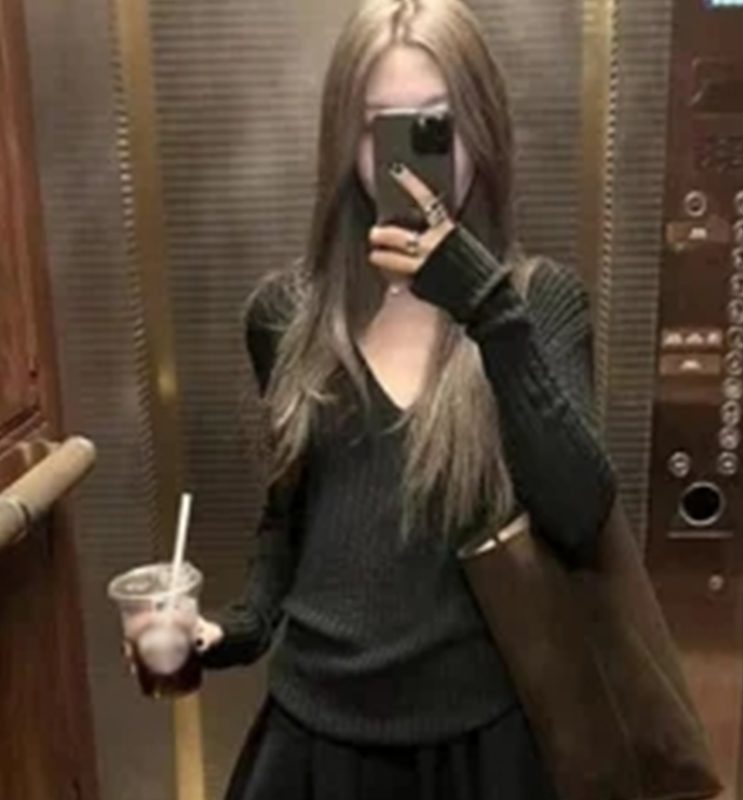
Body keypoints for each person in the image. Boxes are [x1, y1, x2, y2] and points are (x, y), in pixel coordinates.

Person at [186, 0, 616, 796]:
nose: (408, 160)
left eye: (434, 125)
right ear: (342, 138)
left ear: (482, 128)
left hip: (482, 747)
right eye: (379, 127)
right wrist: (230, 631)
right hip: (313, 739)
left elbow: (580, 514)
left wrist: (488, 310)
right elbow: (288, 523)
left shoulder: (537, 305)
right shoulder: (286, 316)